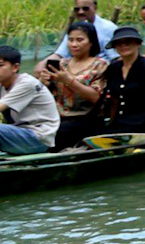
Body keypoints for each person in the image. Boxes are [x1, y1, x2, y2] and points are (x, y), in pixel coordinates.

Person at [45, 20, 110, 148]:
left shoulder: (100, 65)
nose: (74, 44)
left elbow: (95, 97)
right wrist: (44, 82)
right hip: (58, 118)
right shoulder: (62, 64)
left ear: (91, 42)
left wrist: (69, 81)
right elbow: (49, 95)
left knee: (60, 132)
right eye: (71, 40)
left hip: (86, 120)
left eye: (80, 40)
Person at [101, 26, 145, 138]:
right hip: (119, 124)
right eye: (119, 43)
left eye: (128, 42)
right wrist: (111, 123)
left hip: (142, 125)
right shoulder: (113, 69)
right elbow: (114, 101)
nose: (123, 45)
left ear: (138, 44)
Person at [0, 45, 58, 155]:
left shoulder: (26, 83)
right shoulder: (1, 83)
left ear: (15, 67)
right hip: (18, 133)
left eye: (0, 65)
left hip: (38, 138)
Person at [48, 0, 117, 65]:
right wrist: (42, 64)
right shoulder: (75, 29)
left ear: (95, 8)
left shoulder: (108, 28)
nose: (80, 12)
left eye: (85, 8)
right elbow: (60, 54)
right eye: (77, 9)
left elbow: (116, 58)